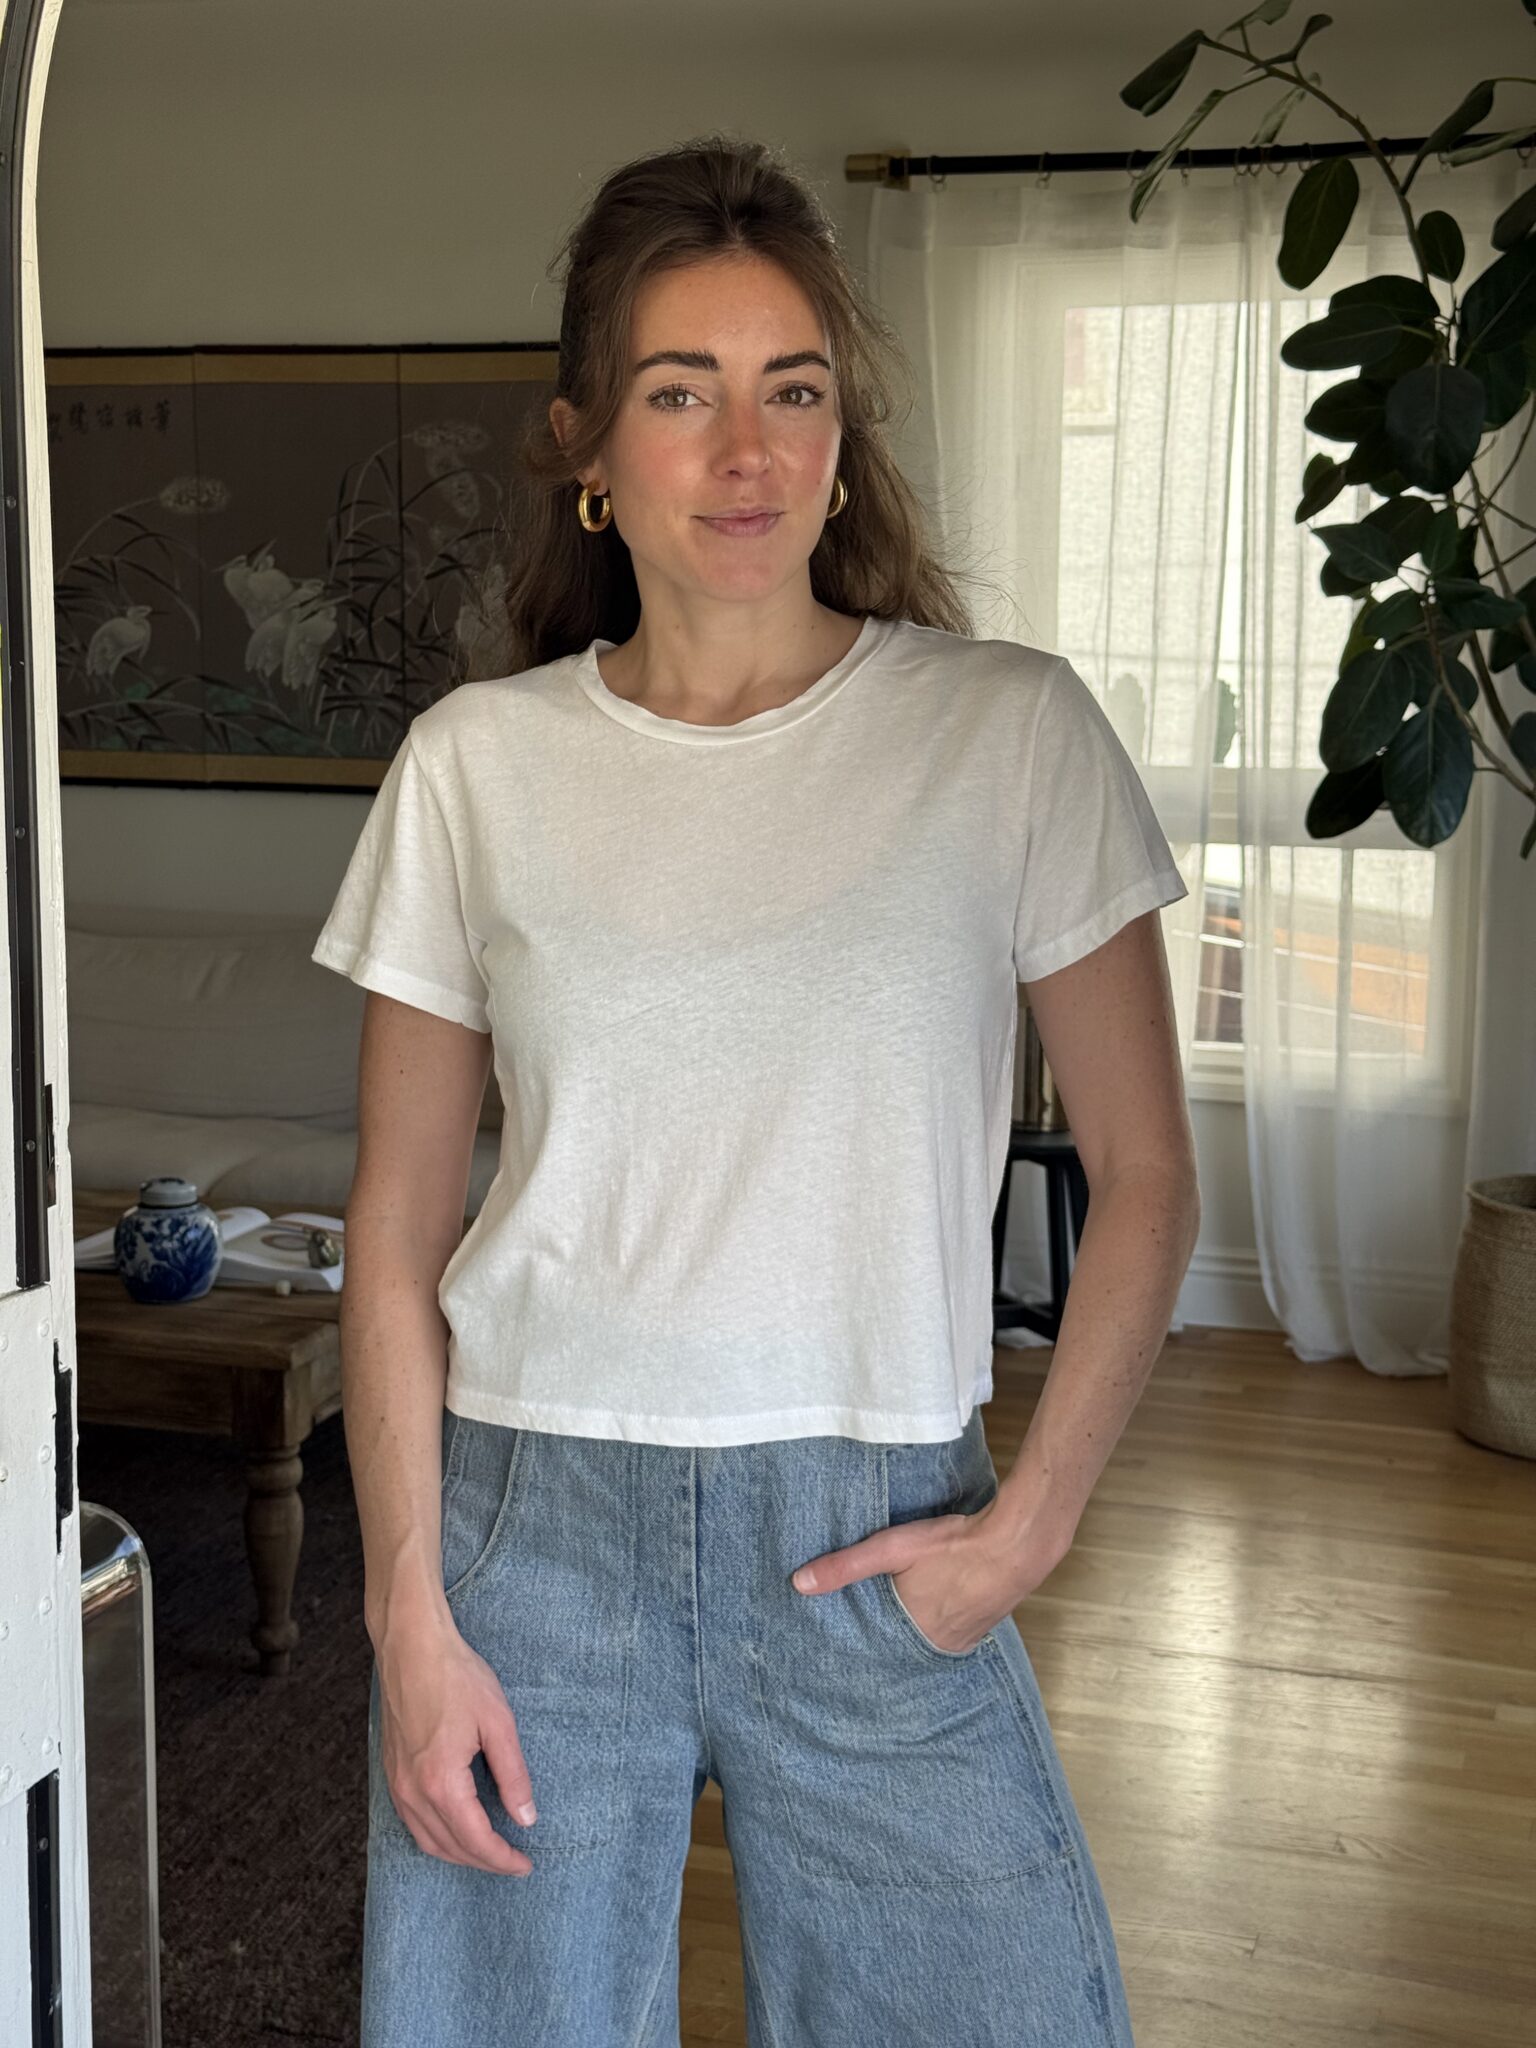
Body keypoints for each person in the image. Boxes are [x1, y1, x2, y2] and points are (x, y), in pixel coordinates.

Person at [312, 132, 1200, 2048]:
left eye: (793, 391)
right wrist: (407, 1616)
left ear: (841, 434)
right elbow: (391, 1223)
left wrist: (1028, 1530)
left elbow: (1144, 1176)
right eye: (680, 393)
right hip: (529, 1542)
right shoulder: (476, 768)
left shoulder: (1006, 732)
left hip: (883, 1537)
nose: (748, 451)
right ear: (587, 449)